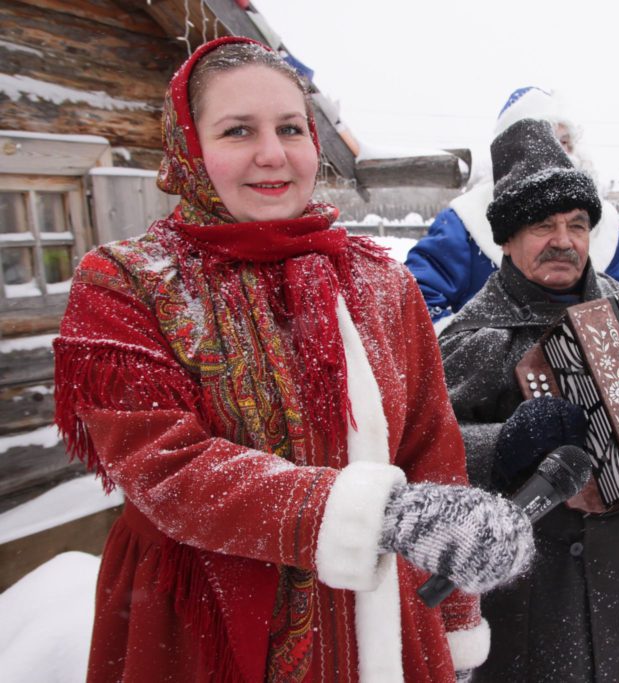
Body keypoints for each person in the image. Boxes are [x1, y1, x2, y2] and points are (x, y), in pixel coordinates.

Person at [52, 37, 535, 683]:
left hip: (382, 622)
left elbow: (430, 448)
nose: (272, 154)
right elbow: (165, 468)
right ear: (188, 148)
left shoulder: (380, 283)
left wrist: (454, 610)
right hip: (210, 621)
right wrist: (382, 515)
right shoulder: (127, 283)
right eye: (237, 131)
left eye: (289, 128)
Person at [437, 117, 619, 682]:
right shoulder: (474, 337)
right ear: (507, 239)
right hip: (544, 598)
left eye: (577, 224)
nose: (563, 240)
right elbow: (423, 452)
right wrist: (504, 443)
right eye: (542, 225)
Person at [405, 86, 619, 325]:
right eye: (545, 139)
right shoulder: (465, 218)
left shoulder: (606, 222)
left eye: (564, 141)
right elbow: (413, 304)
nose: (558, 154)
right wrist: (480, 339)